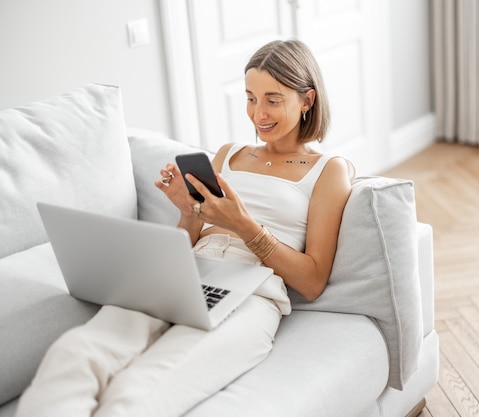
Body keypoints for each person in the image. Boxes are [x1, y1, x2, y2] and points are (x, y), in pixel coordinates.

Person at [16, 39, 353, 417]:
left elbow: (312, 280)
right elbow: (191, 239)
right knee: (76, 353)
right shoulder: (229, 154)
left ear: (307, 100)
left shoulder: (329, 170)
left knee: (137, 391)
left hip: (253, 292)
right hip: (185, 273)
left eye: (273, 99)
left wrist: (243, 225)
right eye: (250, 98)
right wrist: (189, 212)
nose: (259, 113)